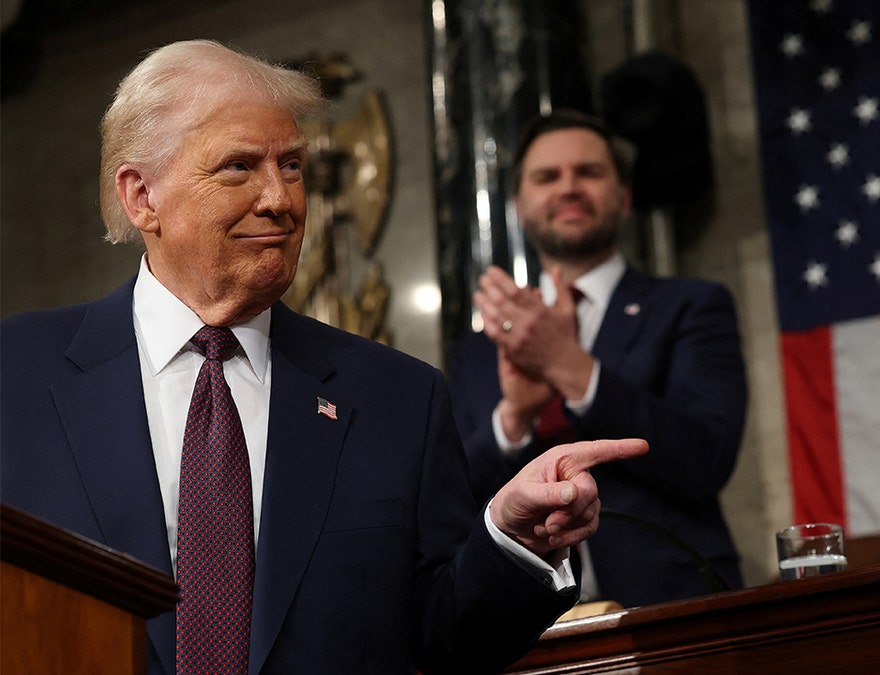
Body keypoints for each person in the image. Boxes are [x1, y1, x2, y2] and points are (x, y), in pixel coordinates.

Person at [0, 40, 648, 675]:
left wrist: (513, 542)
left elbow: (442, 638)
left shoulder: (397, 398)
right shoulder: (17, 374)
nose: (280, 199)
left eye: (291, 166)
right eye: (238, 167)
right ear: (142, 196)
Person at [446, 109, 747, 608]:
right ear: (520, 206)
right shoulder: (477, 350)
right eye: (547, 177)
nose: (569, 187)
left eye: (588, 172)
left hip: (674, 608)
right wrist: (514, 417)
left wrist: (573, 368)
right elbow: (451, 501)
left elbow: (706, 460)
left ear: (624, 198)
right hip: (523, 625)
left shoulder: (691, 306)